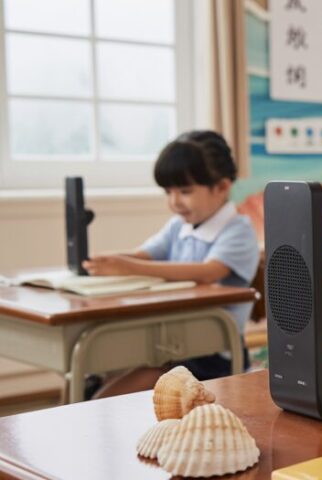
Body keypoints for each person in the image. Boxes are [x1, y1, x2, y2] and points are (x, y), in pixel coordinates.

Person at [87, 130, 259, 397]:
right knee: (102, 374)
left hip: (213, 355)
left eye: (185, 191)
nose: (174, 202)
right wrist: (107, 260)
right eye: (168, 192)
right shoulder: (178, 226)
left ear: (222, 187)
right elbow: (145, 254)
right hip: (173, 344)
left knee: (110, 394)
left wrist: (128, 266)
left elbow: (209, 272)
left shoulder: (238, 230)